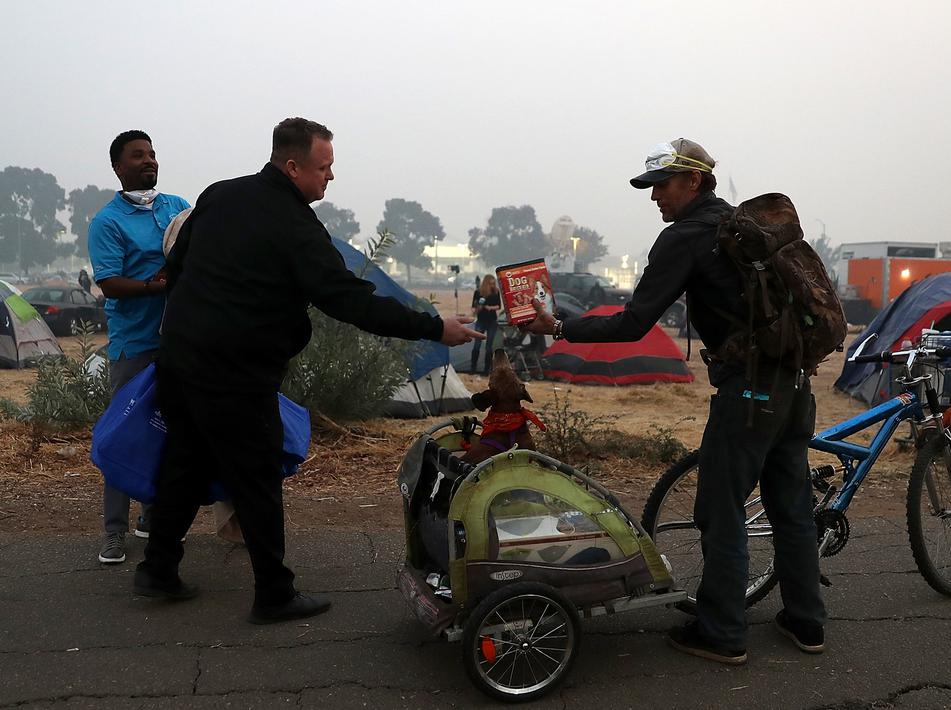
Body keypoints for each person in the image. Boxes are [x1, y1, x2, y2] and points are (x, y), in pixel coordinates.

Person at [134, 117, 483, 623]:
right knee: (256, 477)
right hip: (236, 372)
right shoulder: (294, 224)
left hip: (181, 358)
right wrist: (433, 327)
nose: (331, 178)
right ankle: (273, 593)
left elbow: (178, 263)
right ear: (293, 165)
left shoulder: (217, 195)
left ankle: (158, 568)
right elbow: (349, 300)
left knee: (185, 461)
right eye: (325, 168)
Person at [522, 138, 827, 664]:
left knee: (720, 511)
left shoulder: (684, 238)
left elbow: (635, 321)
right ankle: (807, 622)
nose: (654, 196)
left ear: (694, 181)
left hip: (748, 392)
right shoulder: (744, 230)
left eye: (662, 184)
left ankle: (723, 633)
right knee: (792, 508)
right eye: (650, 186)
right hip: (795, 385)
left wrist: (562, 326)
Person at [87, 130, 192, 565]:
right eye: (137, 156)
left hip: (179, 341)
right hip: (134, 345)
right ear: (117, 166)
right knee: (125, 434)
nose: (148, 161)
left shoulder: (177, 207)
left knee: (166, 435)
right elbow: (109, 282)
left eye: (151, 154)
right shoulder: (107, 221)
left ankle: (153, 519)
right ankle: (114, 532)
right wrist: (155, 286)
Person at [470, 274, 502, 374]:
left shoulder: (496, 292)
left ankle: (486, 370)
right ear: (486, 283)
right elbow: (473, 308)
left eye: (494, 283)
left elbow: (499, 306)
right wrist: (478, 308)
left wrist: (490, 308)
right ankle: (473, 368)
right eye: (491, 283)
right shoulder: (478, 292)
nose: (492, 285)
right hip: (481, 320)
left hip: (492, 321)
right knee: (477, 344)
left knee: (489, 346)